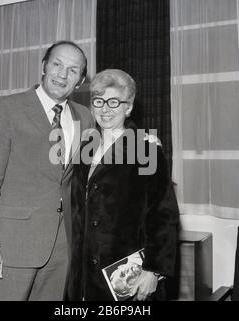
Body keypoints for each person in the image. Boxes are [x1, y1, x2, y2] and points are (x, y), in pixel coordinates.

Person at [0, 40, 94, 301]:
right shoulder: (7, 108)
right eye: (57, 64)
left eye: (73, 70)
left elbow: (100, 165)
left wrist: (144, 144)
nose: (62, 74)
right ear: (44, 66)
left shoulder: (85, 117)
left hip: (62, 248)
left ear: (81, 80)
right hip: (12, 247)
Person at [66, 69, 180, 301]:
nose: (105, 109)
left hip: (126, 275)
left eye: (114, 102)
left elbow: (162, 216)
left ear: (128, 107)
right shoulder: (85, 147)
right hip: (83, 276)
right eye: (99, 101)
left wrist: (153, 271)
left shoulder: (146, 150)